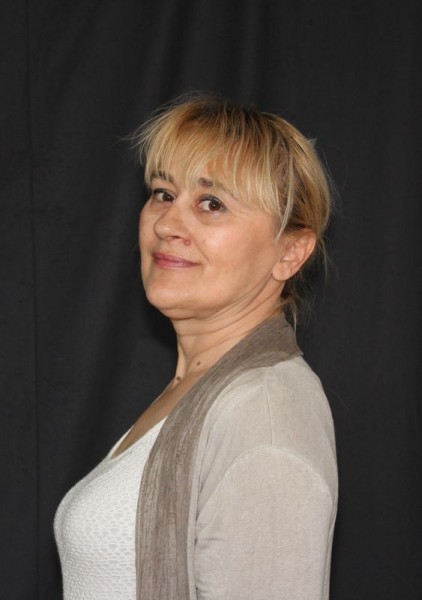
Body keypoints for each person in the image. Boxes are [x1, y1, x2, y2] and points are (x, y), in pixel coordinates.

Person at [54, 94, 338, 600]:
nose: (166, 224)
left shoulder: (264, 414)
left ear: (290, 252)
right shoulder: (197, 389)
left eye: (212, 203)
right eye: (163, 193)